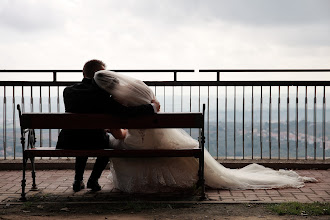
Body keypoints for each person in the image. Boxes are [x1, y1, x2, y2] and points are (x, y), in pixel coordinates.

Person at [94, 70, 317, 193]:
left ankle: (130, 184)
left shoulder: (115, 102)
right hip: (157, 137)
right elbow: (152, 107)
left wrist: (121, 131)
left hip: (138, 144)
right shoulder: (140, 89)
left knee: (114, 144)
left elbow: (121, 134)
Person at [56, 60, 160, 192]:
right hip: (95, 142)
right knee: (107, 143)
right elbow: (125, 113)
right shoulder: (102, 94)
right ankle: (93, 180)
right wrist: (152, 107)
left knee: (81, 136)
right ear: (98, 74)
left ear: (83, 73)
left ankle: (78, 180)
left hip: (69, 141)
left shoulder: (68, 91)